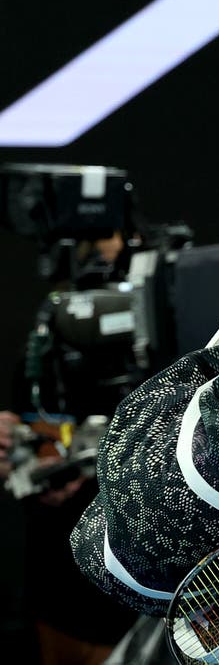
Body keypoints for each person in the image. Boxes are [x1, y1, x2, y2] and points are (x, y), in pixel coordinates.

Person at [1, 229, 142, 665]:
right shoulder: (44, 355)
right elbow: (41, 452)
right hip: (63, 591)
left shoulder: (161, 352)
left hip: (140, 594)